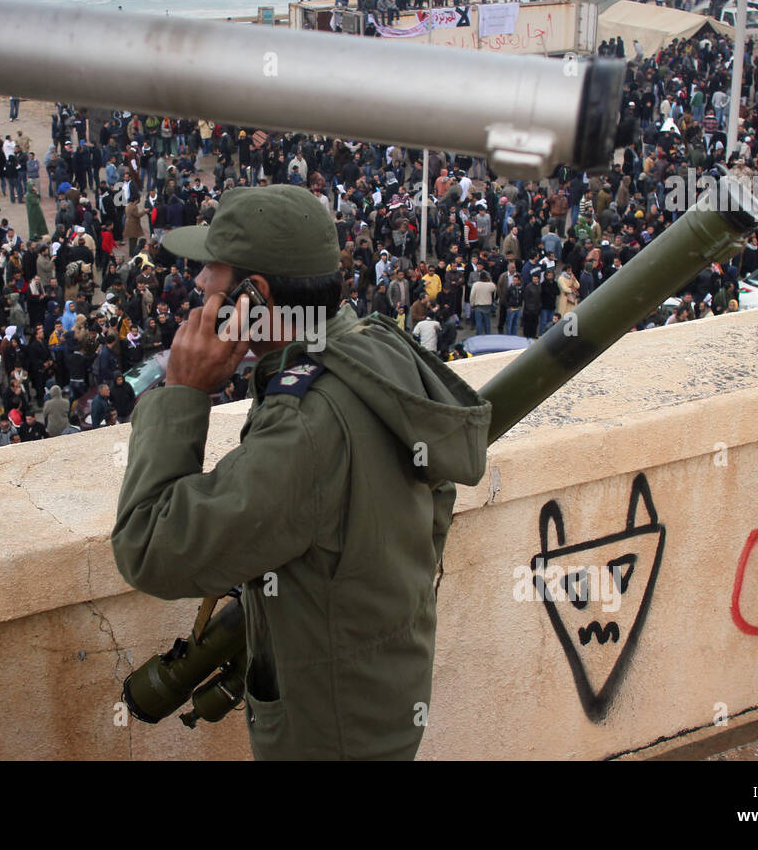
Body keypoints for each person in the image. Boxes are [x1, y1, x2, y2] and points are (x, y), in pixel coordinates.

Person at [112, 185, 490, 760]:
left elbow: (148, 546)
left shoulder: (305, 425)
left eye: (212, 268)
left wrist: (181, 394)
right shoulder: (369, 350)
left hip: (327, 734)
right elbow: (431, 501)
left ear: (254, 297)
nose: (198, 283)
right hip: (375, 698)